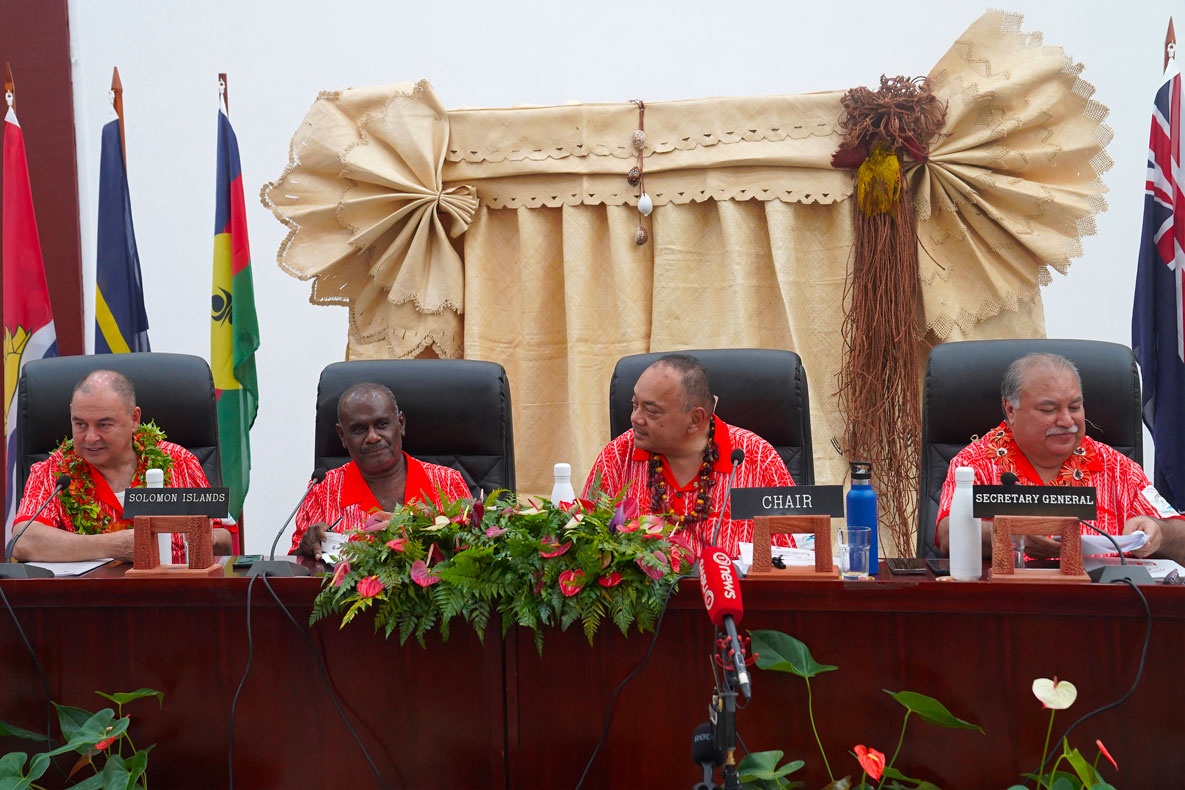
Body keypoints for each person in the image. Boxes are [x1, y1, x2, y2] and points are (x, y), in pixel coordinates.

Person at [935, 352, 1185, 562]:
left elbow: (1181, 540)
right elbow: (949, 536)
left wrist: (1159, 533)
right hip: (1009, 602)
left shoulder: (1116, 467)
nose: (1066, 421)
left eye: (1075, 407)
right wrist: (1012, 535)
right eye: (1049, 409)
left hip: (1102, 601)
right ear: (1011, 410)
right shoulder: (975, 463)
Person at [583, 354, 795, 559]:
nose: (635, 418)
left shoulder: (758, 458)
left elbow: (797, 556)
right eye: (634, 405)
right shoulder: (617, 456)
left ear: (695, 419)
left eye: (651, 411)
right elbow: (584, 548)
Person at [11, 369, 234, 563]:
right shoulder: (52, 472)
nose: (90, 437)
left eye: (104, 425)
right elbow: (23, 540)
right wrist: (112, 545)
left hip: (171, 591)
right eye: (80, 424)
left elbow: (224, 538)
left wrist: (195, 537)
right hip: (86, 596)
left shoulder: (179, 462)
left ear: (134, 419)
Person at [291, 382, 471, 559]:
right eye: (358, 429)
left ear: (401, 423)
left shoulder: (448, 482)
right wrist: (306, 549)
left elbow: (477, 555)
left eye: (382, 424)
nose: (372, 437)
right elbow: (295, 569)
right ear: (342, 435)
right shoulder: (322, 490)